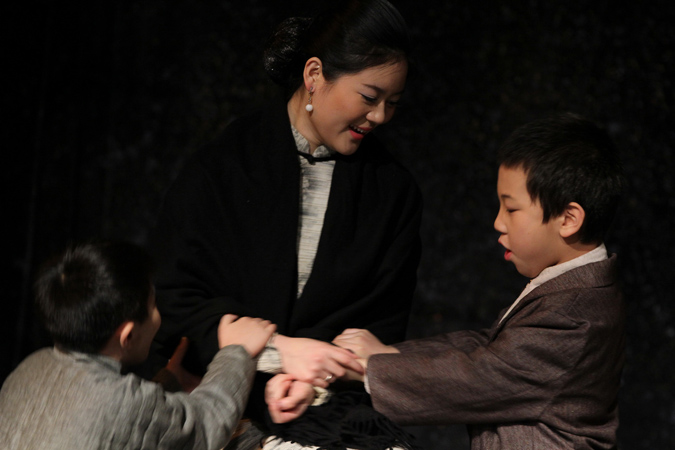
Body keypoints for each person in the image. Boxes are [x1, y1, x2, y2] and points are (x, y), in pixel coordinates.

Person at [147, 0, 422, 444]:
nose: (379, 117)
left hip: (326, 405)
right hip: (211, 393)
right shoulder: (223, 167)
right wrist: (279, 354)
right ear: (314, 75)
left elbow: (381, 327)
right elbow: (175, 301)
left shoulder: (393, 193)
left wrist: (313, 378)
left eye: (393, 103)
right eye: (369, 98)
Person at [272, 113, 626, 449]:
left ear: (568, 219)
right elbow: (489, 347)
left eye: (511, 209)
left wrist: (367, 368)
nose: (498, 223)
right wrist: (388, 354)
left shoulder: (576, 315)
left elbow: (481, 377)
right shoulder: (573, 289)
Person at [0, 241, 276, 450]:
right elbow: (206, 427)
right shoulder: (119, 403)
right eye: (154, 305)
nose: (158, 314)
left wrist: (167, 383)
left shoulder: (26, 370)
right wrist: (236, 352)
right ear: (128, 336)